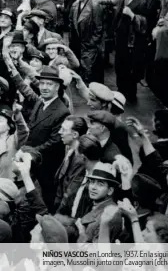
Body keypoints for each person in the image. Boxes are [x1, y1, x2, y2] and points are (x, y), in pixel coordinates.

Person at [4, 58, 69, 211]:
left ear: (57, 86)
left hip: (47, 167)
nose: (45, 87)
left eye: (49, 84)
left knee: (44, 201)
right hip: (32, 163)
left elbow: (54, 142)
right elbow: (27, 92)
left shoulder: (62, 112)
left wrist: (29, 153)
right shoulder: (41, 102)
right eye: (42, 83)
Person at [105, 0, 149, 101]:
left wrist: (132, 15)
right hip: (120, 37)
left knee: (130, 66)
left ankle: (130, 94)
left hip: (133, 40)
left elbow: (145, 23)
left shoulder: (142, 1)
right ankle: (120, 90)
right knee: (119, 65)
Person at [77, 161, 123, 243]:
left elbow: (97, 253)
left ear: (110, 190)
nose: (93, 187)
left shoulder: (111, 215)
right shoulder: (92, 202)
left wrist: (81, 231)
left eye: (100, 184)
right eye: (92, 182)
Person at [69, 0, 104, 84]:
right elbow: (71, 23)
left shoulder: (95, 6)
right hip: (77, 43)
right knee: (79, 68)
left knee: (89, 70)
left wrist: (92, 42)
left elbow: (99, 28)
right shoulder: (75, 5)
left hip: (89, 44)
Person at [54, 116, 87, 213]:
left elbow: (70, 194)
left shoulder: (80, 160)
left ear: (75, 134)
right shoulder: (69, 147)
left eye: (64, 130)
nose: (60, 132)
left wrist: (58, 214)